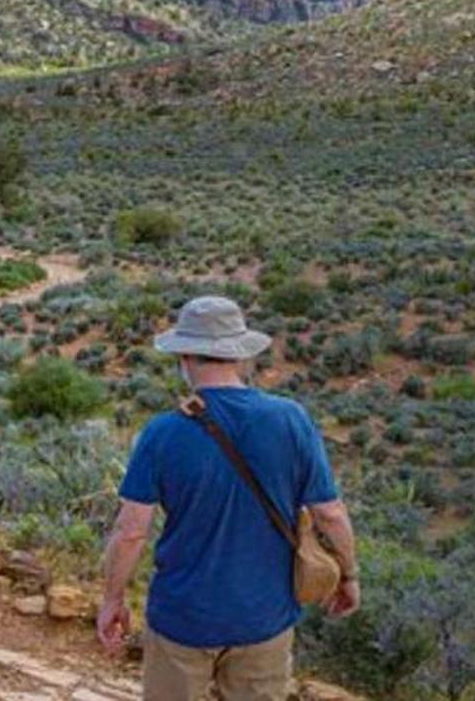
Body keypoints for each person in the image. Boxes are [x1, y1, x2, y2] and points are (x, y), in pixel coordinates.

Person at [97, 297, 360, 701]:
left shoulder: (161, 433)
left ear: (184, 356)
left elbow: (131, 532)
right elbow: (330, 514)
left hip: (182, 617)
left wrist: (113, 599)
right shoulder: (290, 419)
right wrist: (348, 575)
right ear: (239, 354)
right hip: (263, 617)